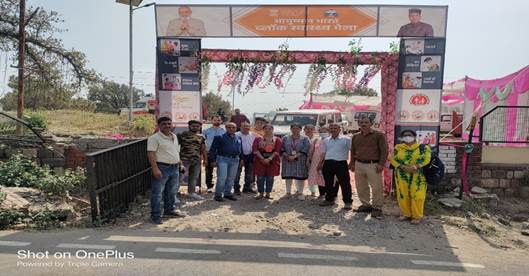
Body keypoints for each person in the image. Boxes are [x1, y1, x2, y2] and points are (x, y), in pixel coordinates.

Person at [147, 117, 185, 224]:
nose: (167, 126)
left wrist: (180, 164)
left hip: (174, 167)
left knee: (171, 191)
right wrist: (155, 169)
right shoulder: (154, 138)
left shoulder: (174, 136)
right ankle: (155, 215)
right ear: (158, 125)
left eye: (169, 123)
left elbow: (176, 151)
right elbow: (151, 154)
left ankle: (169, 210)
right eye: (164, 124)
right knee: (158, 193)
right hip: (162, 168)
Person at [349, 117, 388, 218]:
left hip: (373, 165)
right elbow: (353, 151)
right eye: (361, 122)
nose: (363, 124)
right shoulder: (355, 136)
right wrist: (352, 163)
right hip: (359, 164)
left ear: (371, 123)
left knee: (376, 187)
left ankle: (377, 207)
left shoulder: (379, 135)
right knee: (361, 186)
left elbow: (384, 151)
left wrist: (381, 164)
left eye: (366, 122)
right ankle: (366, 205)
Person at [391, 130, 431, 224]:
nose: (407, 137)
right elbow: (392, 159)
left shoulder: (423, 147)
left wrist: (415, 166)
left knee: (418, 195)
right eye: (405, 135)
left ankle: (417, 216)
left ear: (414, 136)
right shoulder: (398, 147)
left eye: (409, 135)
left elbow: (427, 159)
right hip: (402, 174)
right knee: (403, 195)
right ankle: (406, 214)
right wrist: (402, 167)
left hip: (418, 175)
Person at [318, 123, 353, 210]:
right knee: (328, 182)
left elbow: (352, 150)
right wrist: (320, 163)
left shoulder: (346, 139)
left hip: (341, 163)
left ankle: (347, 202)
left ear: (339, 129)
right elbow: (323, 153)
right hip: (328, 163)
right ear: (329, 130)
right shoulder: (326, 140)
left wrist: (352, 162)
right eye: (331, 128)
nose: (333, 130)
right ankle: (329, 199)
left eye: (335, 128)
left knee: (344, 183)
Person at [208, 123, 243, 202]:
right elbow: (212, 150)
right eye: (229, 127)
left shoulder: (238, 137)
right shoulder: (219, 137)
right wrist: (213, 160)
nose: (231, 129)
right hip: (223, 159)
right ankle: (218, 195)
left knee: (231, 178)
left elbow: (241, 149)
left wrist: (242, 159)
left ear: (236, 128)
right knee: (222, 178)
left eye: (233, 127)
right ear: (226, 128)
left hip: (235, 160)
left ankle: (227, 193)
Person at [177, 120, 207, 200]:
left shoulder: (201, 136)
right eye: (193, 126)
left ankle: (191, 193)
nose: (195, 127)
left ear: (200, 127)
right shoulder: (182, 135)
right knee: (180, 177)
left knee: (193, 177)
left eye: (197, 126)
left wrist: (205, 159)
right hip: (184, 161)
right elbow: (176, 146)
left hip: (196, 161)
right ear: (189, 126)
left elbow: (203, 149)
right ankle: (173, 195)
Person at [281, 123, 311, 200]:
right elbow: (282, 148)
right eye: (293, 128)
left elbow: (306, 148)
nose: (295, 130)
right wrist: (287, 156)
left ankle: (300, 193)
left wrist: (295, 156)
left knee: (300, 177)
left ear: (300, 129)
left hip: (300, 160)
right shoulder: (285, 138)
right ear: (291, 129)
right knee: (288, 176)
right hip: (287, 160)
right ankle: (288, 192)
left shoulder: (305, 138)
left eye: (297, 128)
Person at [252, 124, 282, 199]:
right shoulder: (258, 139)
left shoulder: (277, 139)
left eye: (269, 129)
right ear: (263, 130)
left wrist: (269, 159)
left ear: (272, 130)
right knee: (260, 177)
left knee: (270, 177)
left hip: (272, 161)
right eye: (266, 128)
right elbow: (255, 150)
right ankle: (261, 193)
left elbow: (277, 151)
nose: (267, 130)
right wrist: (262, 159)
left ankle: (268, 193)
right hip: (260, 161)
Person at [202, 115, 226, 192]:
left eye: (218, 120)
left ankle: (220, 187)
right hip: (209, 154)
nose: (217, 122)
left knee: (221, 171)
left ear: (221, 121)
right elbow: (202, 143)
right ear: (212, 121)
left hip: (221, 154)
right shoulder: (206, 131)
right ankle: (209, 187)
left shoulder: (224, 131)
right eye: (215, 120)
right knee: (209, 171)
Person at [234, 122, 257, 195]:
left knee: (249, 174)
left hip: (250, 156)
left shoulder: (253, 135)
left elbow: (262, 138)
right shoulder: (236, 135)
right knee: (237, 173)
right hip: (239, 156)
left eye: (247, 127)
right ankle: (236, 189)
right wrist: (241, 158)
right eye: (244, 126)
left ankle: (247, 188)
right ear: (240, 127)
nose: (246, 128)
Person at [306, 125, 329, 198]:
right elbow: (311, 151)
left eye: (324, 131)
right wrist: (308, 160)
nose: (323, 133)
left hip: (326, 161)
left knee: (326, 177)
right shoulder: (316, 140)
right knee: (318, 177)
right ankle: (321, 193)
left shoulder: (329, 140)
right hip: (315, 161)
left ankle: (329, 194)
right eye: (321, 131)